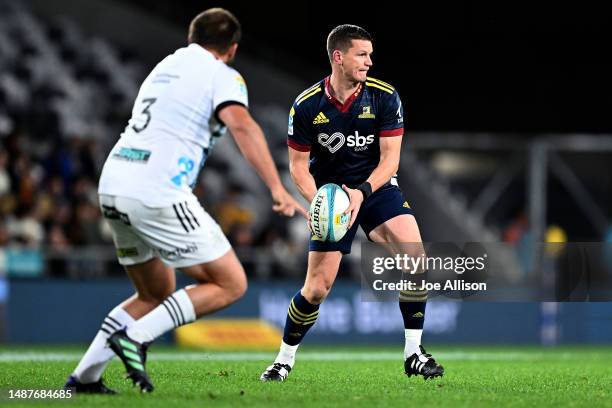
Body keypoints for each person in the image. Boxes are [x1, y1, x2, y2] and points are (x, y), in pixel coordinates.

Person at [64, 8, 306, 393]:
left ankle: (84, 378)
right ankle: (137, 337)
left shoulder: (164, 66)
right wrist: (277, 188)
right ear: (232, 49)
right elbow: (241, 123)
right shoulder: (222, 75)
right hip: (156, 189)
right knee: (230, 282)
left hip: (114, 182)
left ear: (192, 37)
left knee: (154, 292)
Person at [260, 24, 444, 382]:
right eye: (363, 54)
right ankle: (283, 360)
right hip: (329, 192)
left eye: (371, 55)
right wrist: (319, 205)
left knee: (416, 258)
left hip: (374, 186)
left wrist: (360, 192)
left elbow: (391, 160)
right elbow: (298, 167)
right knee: (316, 289)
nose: (370, 62)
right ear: (338, 58)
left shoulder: (385, 97)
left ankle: (413, 352)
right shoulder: (306, 105)